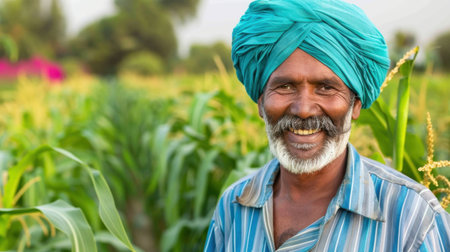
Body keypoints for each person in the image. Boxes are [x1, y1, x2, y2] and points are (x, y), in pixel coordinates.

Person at [203, 0, 450, 251]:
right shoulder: (233, 209)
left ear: (355, 104)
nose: (303, 109)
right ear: (260, 101)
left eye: (326, 88)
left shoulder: (413, 220)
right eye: (285, 86)